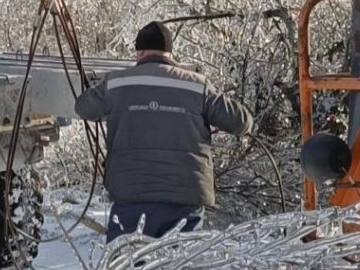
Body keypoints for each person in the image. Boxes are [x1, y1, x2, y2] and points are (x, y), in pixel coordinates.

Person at [75, 21, 253, 243]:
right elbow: (241, 122)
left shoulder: (117, 83)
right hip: (185, 198)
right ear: (170, 53)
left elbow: (83, 107)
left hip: (132, 196)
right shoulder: (197, 85)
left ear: (139, 51)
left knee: (125, 269)